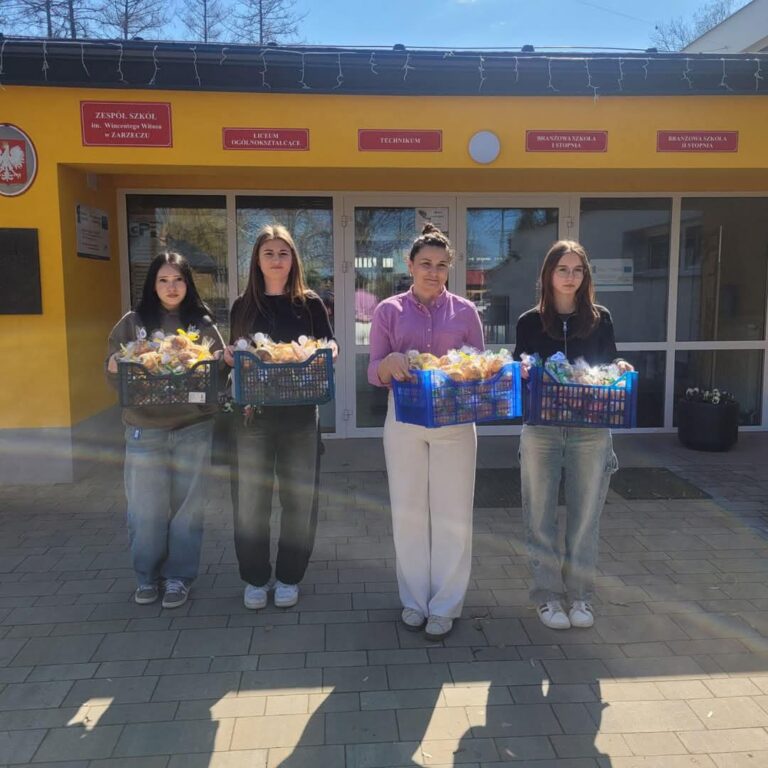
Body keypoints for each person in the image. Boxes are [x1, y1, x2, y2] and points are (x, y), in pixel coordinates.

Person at [368, 224, 484, 641]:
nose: (433, 272)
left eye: (441, 265)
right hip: (404, 419)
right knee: (408, 511)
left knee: (453, 514)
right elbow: (373, 370)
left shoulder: (465, 312)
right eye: (425, 264)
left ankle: (446, 605)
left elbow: (479, 366)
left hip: (455, 420)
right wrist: (389, 363)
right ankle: (415, 601)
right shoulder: (388, 311)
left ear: (450, 268)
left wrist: (467, 370)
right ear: (410, 266)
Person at [514, 240, 632, 630]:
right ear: (548, 274)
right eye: (562, 269)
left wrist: (620, 365)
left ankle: (580, 596)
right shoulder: (529, 321)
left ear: (586, 276)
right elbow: (519, 366)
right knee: (539, 517)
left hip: (591, 429)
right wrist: (522, 370)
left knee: (585, 520)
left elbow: (609, 360)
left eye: (577, 270)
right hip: (542, 429)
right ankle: (548, 597)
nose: (570, 277)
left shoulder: (600, 318)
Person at [224, 224, 335, 611]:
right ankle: (255, 578)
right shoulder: (243, 306)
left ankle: (289, 576)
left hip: (300, 415)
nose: (276, 260)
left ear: (293, 260)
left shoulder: (310, 304)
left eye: (283, 253)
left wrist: (328, 353)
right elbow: (236, 353)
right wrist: (230, 356)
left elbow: (330, 345)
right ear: (257, 260)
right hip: (252, 417)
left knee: (299, 500)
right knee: (250, 501)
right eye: (268, 253)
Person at [106, 251, 224, 609]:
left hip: (193, 428)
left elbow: (218, 376)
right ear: (152, 284)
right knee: (145, 512)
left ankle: (179, 578)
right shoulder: (132, 323)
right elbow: (114, 373)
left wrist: (217, 367)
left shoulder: (202, 325)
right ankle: (147, 576)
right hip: (145, 431)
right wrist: (113, 366)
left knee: (188, 511)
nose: (171, 287)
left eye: (178, 280)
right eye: (163, 280)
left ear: (188, 284)